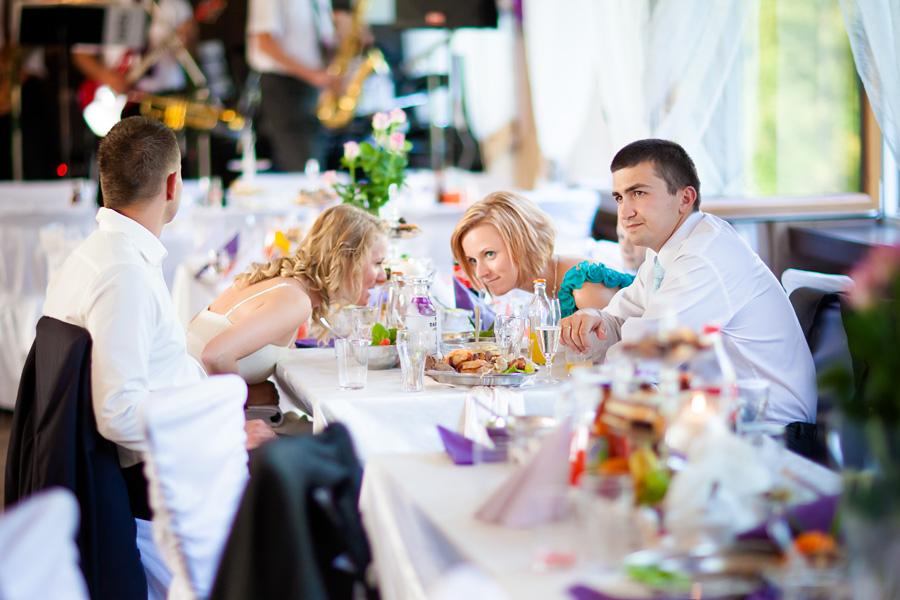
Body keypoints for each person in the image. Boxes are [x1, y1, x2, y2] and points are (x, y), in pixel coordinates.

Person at [42, 116, 276, 510]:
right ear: (173, 185)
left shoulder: (95, 254)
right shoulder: (123, 274)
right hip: (164, 476)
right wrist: (225, 433)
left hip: (177, 436)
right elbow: (118, 413)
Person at [560, 139, 817, 434]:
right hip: (714, 422)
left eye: (638, 193)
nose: (625, 211)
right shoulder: (665, 251)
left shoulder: (705, 256)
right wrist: (592, 321)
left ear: (685, 198)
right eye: (619, 197)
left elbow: (645, 356)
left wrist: (578, 384)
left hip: (769, 433)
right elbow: (619, 322)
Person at [186, 204, 387, 392]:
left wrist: (252, 391)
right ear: (347, 260)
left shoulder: (280, 283)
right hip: (187, 410)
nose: (383, 277)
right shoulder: (295, 300)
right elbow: (215, 356)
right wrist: (241, 414)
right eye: (377, 263)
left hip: (183, 396)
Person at [450, 191, 635, 318]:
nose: (480, 272)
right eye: (472, 260)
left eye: (490, 254)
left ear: (524, 242)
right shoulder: (529, 292)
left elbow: (613, 366)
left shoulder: (585, 287)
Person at [246, 0, 352, 171]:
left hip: (311, 83)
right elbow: (264, 42)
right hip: (283, 85)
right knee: (302, 167)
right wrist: (314, 76)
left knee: (315, 165)